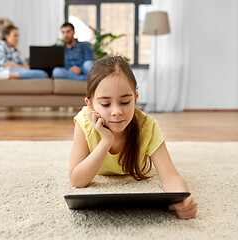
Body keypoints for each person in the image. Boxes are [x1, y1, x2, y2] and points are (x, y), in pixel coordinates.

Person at [69, 56, 198, 220]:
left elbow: (170, 176)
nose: (116, 111)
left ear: (135, 99)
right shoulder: (84, 122)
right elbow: (77, 180)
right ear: (91, 105)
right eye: (106, 104)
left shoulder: (147, 127)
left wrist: (182, 198)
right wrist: (106, 141)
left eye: (124, 102)